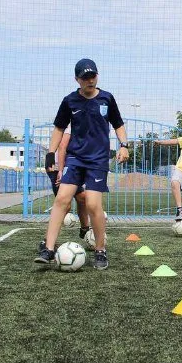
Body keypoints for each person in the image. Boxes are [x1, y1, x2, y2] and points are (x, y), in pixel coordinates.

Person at [35, 58, 129, 270]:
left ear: (97, 76)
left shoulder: (107, 99)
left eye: (93, 76)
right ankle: (48, 249)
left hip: (97, 160)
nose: (90, 80)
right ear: (77, 79)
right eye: (85, 77)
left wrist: (124, 145)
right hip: (75, 159)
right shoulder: (69, 101)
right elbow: (59, 128)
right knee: (62, 199)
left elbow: (119, 125)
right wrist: (51, 154)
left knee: (94, 205)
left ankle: (100, 250)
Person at [45, 128, 90, 240]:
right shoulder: (72, 123)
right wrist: (61, 170)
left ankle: (85, 230)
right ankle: (47, 241)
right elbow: (62, 147)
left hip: (71, 167)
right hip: (57, 168)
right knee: (65, 205)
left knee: (82, 198)